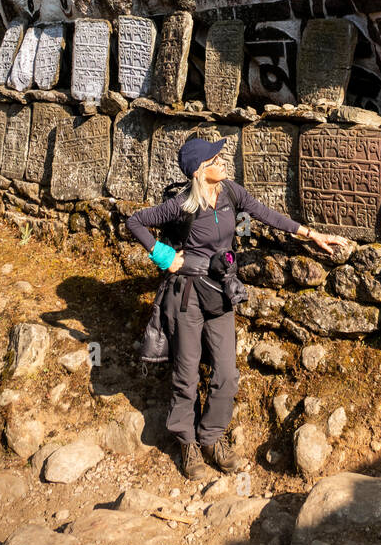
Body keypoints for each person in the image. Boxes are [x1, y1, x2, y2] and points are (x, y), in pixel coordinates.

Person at [125, 137, 352, 482]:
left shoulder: (231, 192)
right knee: (186, 374)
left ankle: (212, 438)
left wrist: (311, 234)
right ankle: (187, 443)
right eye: (215, 158)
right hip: (186, 296)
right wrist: (164, 256)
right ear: (201, 170)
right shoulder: (182, 205)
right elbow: (135, 222)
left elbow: (267, 215)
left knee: (227, 374)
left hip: (220, 294)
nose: (223, 159)